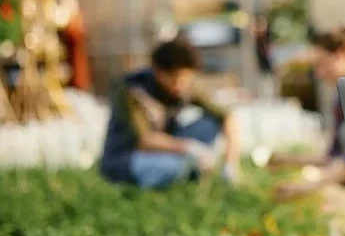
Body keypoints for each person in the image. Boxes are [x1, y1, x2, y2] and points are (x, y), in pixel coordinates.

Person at [100, 38, 241, 189]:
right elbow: (145, 140)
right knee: (176, 167)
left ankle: (193, 170)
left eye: (186, 79)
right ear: (159, 73)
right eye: (175, 79)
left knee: (209, 124)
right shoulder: (133, 89)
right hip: (128, 158)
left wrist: (230, 164)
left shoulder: (185, 86)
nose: (180, 85)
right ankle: (186, 173)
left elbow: (227, 116)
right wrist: (189, 148)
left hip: (165, 147)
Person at [270, 22, 345, 200]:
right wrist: (287, 160)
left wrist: (307, 187)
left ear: (341, 54)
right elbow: (334, 155)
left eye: (322, 64)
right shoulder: (342, 95)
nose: (319, 73)